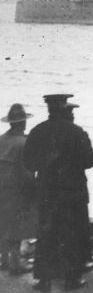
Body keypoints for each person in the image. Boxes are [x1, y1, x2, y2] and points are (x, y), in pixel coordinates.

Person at [23, 94, 93, 292]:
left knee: (46, 233)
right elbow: (89, 160)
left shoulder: (38, 131)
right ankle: (71, 279)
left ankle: (44, 280)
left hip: (46, 191)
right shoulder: (76, 131)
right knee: (71, 234)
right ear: (64, 108)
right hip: (72, 191)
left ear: (48, 109)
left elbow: (28, 162)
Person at [0, 103, 35, 275]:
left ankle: (4, 260)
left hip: (2, 189)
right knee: (16, 227)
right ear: (23, 123)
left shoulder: (1, 140)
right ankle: (15, 264)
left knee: (3, 224)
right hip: (17, 190)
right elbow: (27, 172)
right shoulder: (24, 143)